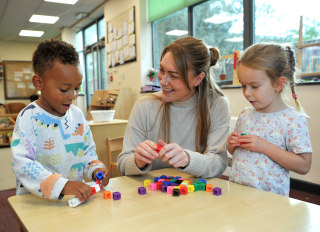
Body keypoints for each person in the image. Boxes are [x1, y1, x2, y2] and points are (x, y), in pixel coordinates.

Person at [11, 39, 109, 202]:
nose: (73, 95)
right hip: (36, 204)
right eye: (64, 89)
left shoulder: (77, 115)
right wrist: (62, 185)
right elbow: (23, 164)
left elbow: (87, 152)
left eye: (77, 88)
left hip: (72, 200)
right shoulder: (28, 118)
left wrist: (95, 168)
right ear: (39, 82)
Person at [117, 36, 231, 178]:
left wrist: (187, 159)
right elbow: (123, 164)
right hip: (150, 194)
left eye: (174, 76)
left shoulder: (217, 104)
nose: (163, 81)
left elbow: (218, 163)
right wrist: (137, 161)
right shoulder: (144, 106)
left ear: (198, 79)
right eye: (162, 70)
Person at [227, 43, 312, 196]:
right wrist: (232, 145)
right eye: (243, 86)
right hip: (238, 194)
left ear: (278, 84)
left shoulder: (293, 120)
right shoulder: (245, 115)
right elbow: (237, 154)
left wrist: (264, 146)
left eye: (254, 86)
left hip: (271, 202)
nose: (247, 93)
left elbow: (304, 166)